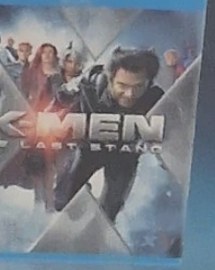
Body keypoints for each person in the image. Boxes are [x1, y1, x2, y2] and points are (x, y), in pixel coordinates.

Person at [52, 50, 167, 229]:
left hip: (124, 155)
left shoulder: (157, 99)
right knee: (62, 201)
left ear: (148, 82)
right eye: (122, 85)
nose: (129, 94)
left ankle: (94, 236)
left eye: (138, 86)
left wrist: (167, 158)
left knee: (110, 212)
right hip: (89, 148)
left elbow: (170, 135)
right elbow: (60, 98)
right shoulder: (89, 82)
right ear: (110, 79)